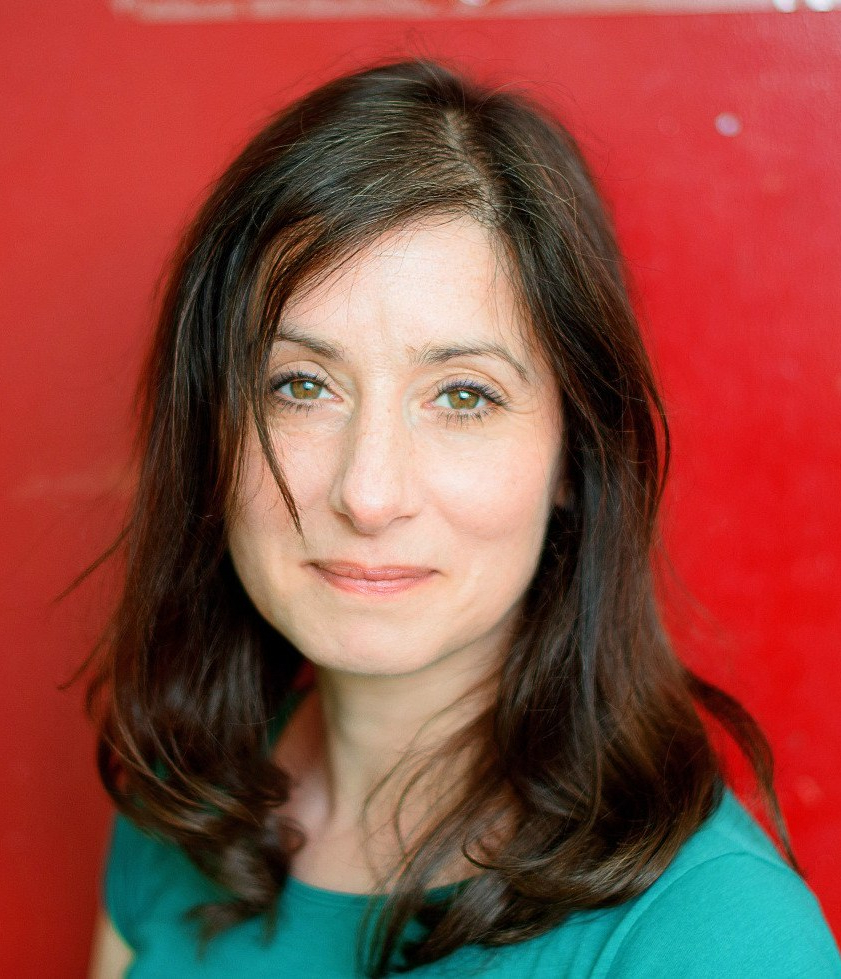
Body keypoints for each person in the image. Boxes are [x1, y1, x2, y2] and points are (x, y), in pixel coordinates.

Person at [84, 57, 841, 978]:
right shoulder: (181, 801)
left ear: (576, 453)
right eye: (300, 385)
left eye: (463, 397)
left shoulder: (712, 936)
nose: (367, 492)